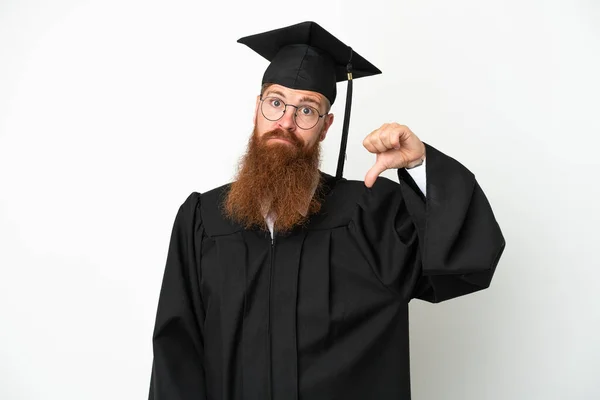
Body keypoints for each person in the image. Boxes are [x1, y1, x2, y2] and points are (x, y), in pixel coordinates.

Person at [148, 21, 505, 400]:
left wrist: (420, 166)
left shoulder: (372, 213)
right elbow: (177, 354)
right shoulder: (203, 220)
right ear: (257, 109)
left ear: (325, 126)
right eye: (276, 102)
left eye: (306, 110)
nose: (286, 121)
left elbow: (468, 266)